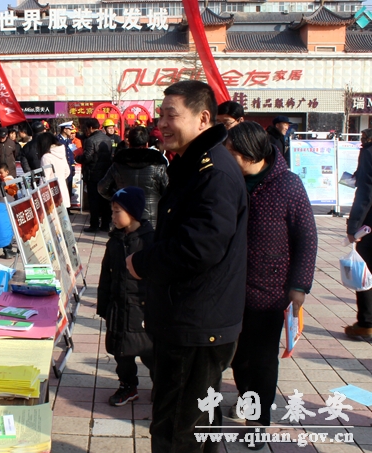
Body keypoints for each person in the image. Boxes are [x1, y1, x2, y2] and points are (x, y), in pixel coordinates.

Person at [125, 80, 248, 452]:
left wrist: (142, 263)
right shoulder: (194, 163)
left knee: (177, 429)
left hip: (196, 322)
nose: (161, 124)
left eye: (171, 115)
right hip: (193, 316)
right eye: (160, 115)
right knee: (199, 424)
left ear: (203, 118)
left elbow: (199, 246)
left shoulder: (213, 171)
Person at [225, 121, 317, 449]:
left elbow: (307, 238)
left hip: (269, 292)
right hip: (230, 288)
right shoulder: (230, 182)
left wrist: (299, 286)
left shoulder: (288, 185)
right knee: (237, 356)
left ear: (251, 155)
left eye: (232, 153)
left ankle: (258, 422)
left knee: (261, 360)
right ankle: (246, 398)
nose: (227, 157)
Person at [97, 187, 155, 406]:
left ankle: (162, 386)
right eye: (112, 211)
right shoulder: (115, 240)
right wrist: (104, 306)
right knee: (121, 352)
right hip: (118, 307)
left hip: (142, 309)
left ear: (132, 212)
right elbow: (106, 275)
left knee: (151, 353)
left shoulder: (150, 241)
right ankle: (127, 386)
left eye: (117, 211)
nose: (112, 216)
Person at [98, 126, 168, 229]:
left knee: (126, 239)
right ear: (147, 144)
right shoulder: (158, 165)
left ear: (129, 143)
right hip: (151, 220)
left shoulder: (118, 164)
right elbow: (169, 191)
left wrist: (119, 197)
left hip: (125, 217)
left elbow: (102, 188)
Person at [344, 128, 372, 338]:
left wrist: (353, 226)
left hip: (370, 225)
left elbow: (366, 192)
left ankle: (366, 323)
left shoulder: (369, 152)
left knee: (365, 271)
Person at [76, 118, 113, 232]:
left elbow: (87, 157)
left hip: (93, 174)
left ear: (90, 128)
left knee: (94, 201)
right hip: (105, 174)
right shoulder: (107, 139)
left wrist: (78, 158)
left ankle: (94, 225)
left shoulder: (90, 140)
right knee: (105, 200)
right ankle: (105, 225)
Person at [38, 131, 71, 208]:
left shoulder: (46, 157)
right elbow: (67, 171)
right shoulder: (62, 153)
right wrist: (60, 179)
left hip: (51, 193)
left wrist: (39, 193)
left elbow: (44, 178)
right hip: (62, 189)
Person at [57, 121, 77, 197]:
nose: (71, 131)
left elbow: (72, 155)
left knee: (69, 189)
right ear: (64, 130)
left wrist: (73, 168)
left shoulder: (69, 141)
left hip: (69, 168)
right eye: (69, 129)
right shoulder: (57, 140)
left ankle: (69, 203)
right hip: (61, 169)